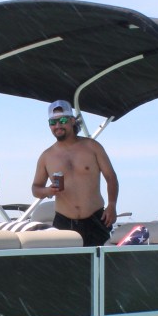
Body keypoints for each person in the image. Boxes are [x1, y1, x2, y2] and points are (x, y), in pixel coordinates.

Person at [30, 99, 119, 247]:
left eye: (62, 120)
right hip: (64, 221)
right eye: (52, 123)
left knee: (101, 266)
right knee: (68, 268)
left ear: (72, 120)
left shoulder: (92, 147)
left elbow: (111, 177)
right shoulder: (46, 156)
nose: (57, 126)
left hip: (96, 218)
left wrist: (112, 205)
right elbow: (35, 188)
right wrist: (47, 190)